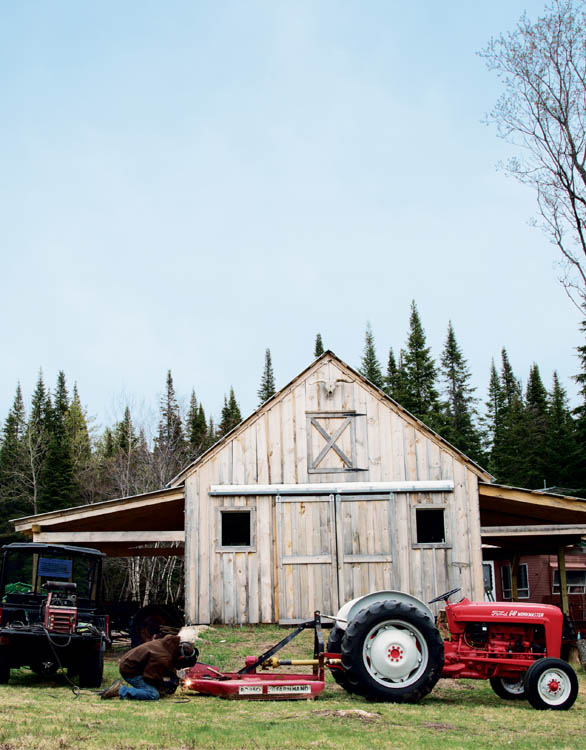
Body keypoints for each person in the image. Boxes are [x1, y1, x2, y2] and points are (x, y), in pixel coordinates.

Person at [101, 629, 199, 700]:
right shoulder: (163, 658)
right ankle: (120, 690)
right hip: (129, 670)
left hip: (131, 663)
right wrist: (163, 685)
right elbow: (149, 677)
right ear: (181, 658)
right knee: (153, 694)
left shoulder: (169, 645)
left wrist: (173, 677)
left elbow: (167, 666)